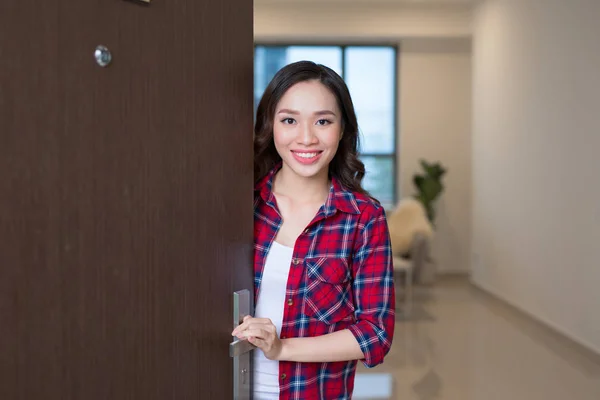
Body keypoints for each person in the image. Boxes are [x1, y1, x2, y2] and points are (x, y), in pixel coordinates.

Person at [231, 60, 395, 399]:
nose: (306, 138)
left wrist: (282, 348)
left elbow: (374, 335)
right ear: (269, 126)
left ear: (343, 129)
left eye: (323, 121)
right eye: (289, 120)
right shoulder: (237, 203)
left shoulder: (364, 218)